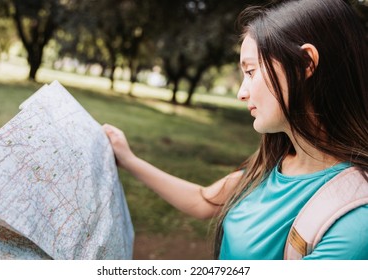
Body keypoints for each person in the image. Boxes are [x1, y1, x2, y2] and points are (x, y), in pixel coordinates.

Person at [103, 0, 368, 260]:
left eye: (251, 72)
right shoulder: (270, 164)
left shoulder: (356, 220)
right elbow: (203, 200)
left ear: (305, 64)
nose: (242, 93)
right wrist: (129, 160)